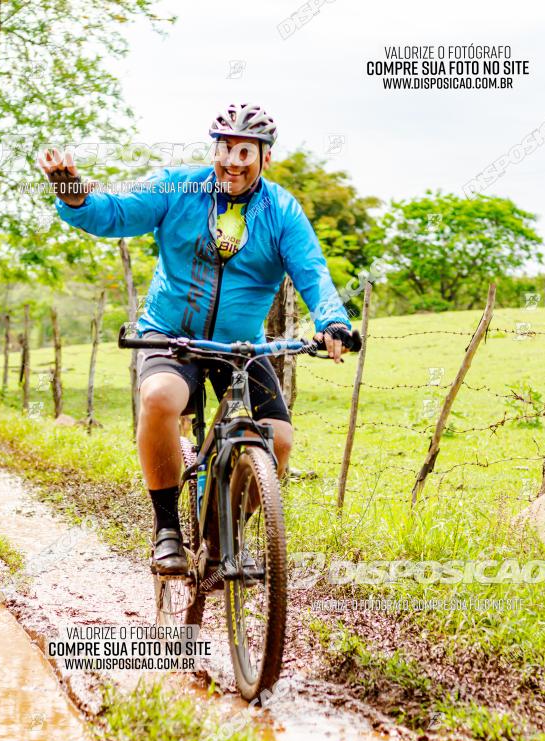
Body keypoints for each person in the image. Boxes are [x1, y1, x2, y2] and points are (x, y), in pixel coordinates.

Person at [39, 103, 353, 575]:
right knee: (161, 397)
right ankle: (166, 528)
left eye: (244, 152)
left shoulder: (281, 211)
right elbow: (116, 212)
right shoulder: (178, 186)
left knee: (280, 440)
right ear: (214, 149)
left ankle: (228, 535)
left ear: (264, 157)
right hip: (170, 336)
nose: (232, 160)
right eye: (224, 148)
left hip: (240, 346)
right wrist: (74, 195)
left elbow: (311, 270)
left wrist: (332, 321)